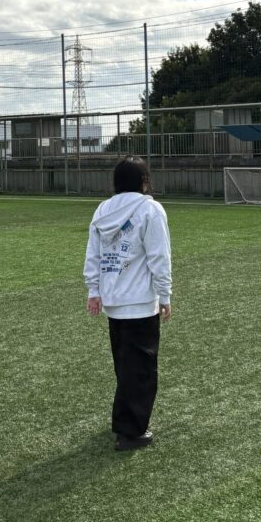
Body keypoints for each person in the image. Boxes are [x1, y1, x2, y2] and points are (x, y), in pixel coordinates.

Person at [83, 157, 172, 451]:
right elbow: (159, 256)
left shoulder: (103, 210)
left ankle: (124, 421)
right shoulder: (150, 209)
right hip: (140, 301)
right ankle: (131, 432)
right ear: (144, 181)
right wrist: (165, 295)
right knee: (141, 369)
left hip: (113, 300)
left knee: (124, 365)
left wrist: (93, 289)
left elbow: (94, 254)